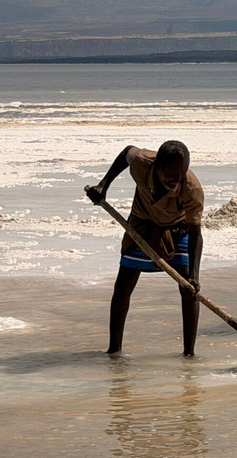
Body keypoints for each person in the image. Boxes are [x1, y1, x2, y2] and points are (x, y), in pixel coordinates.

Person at [85, 141, 204, 357]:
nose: (174, 180)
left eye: (179, 175)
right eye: (169, 174)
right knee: (122, 286)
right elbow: (126, 152)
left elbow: (196, 234)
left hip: (177, 229)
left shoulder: (192, 189)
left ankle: (189, 354)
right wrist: (103, 185)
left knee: (188, 289)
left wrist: (195, 278)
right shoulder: (142, 162)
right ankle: (114, 351)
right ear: (157, 167)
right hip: (142, 223)